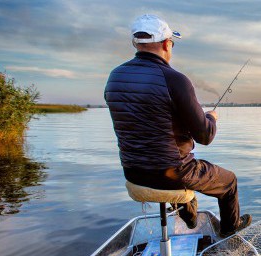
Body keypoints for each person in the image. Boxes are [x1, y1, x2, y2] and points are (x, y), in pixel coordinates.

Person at [104, 14, 251, 237]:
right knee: (228, 181)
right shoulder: (174, 79)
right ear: (166, 43)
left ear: (136, 43)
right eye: (172, 43)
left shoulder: (115, 77)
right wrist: (211, 118)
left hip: (133, 173)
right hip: (172, 173)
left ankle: (189, 212)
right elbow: (205, 136)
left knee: (182, 168)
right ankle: (230, 231)